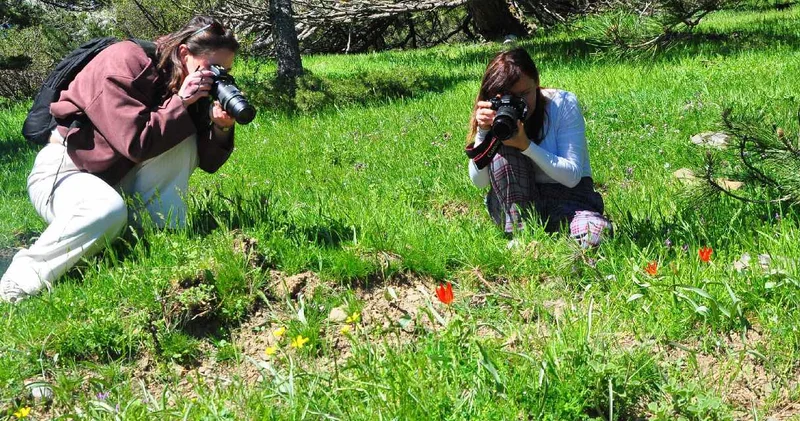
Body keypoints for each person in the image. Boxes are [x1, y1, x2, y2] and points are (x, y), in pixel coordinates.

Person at [1, 16, 241, 303]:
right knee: (105, 210)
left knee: (182, 138)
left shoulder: (189, 82)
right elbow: (135, 142)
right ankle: (19, 281)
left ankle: (154, 241)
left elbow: (207, 162)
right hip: (67, 170)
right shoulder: (124, 61)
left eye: (224, 71)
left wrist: (221, 127)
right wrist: (180, 102)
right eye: (212, 67)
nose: (216, 77)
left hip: (117, 174)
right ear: (184, 53)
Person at [466, 47, 611, 247]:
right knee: (503, 148)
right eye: (509, 97)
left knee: (596, 233)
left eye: (524, 93)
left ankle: (554, 245)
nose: (519, 103)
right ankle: (522, 237)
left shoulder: (562, 103)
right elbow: (479, 182)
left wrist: (526, 146)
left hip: (570, 201)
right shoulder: (497, 118)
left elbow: (572, 177)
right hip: (515, 205)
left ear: (536, 83)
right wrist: (483, 132)